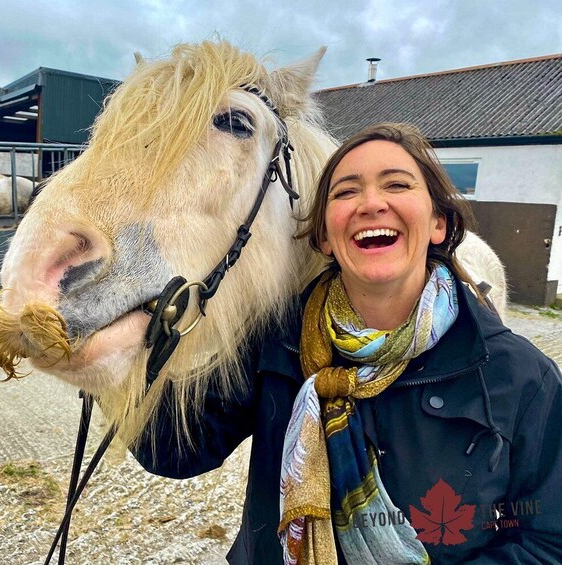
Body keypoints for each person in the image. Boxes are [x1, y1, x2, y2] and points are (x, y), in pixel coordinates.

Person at [132, 123, 562, 564]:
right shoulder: (275, 340)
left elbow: (547, 542)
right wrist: (114, 349)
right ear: (324, 237)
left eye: (397, 184)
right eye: (345, 192)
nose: (372, 203)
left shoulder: (519, 377)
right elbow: (175, 451)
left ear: (439, 223)